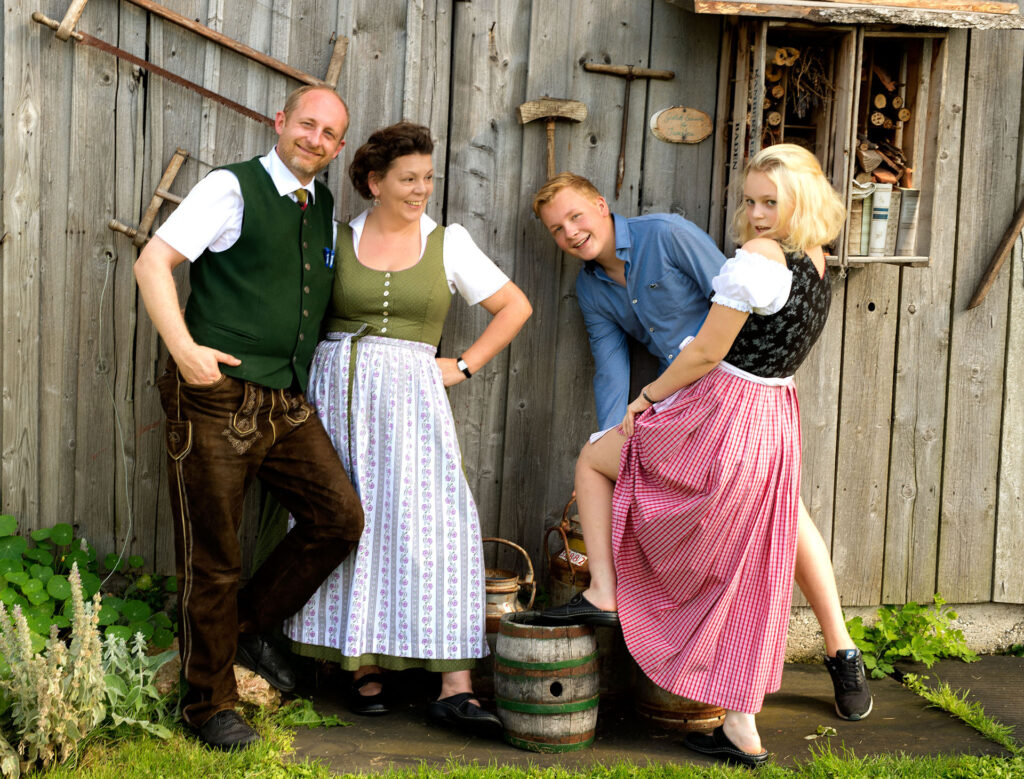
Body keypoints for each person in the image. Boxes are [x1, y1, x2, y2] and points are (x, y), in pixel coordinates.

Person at [537, 145, 852, 765]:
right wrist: (624, 423)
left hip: (718, 405)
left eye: (770, 202)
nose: (756, 215)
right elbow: (611, 365)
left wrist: (648, 399)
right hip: (772, 415)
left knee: (593, 462)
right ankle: (741, 726)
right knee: (751, 564)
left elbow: (710, 348)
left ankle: (606, 592)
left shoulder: (746, 255)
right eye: (750, 201)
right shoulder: (813, 260)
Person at [133, 85, 364, 750]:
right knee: (214, 556)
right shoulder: (230, 188)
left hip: (284, 400)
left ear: (338, 147)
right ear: (280, 122)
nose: (315, 139)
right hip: (217, 396)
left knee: (338, 519)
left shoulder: (321, 205)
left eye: (329, 133)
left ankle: (243, 629)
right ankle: (208, 704)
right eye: (307, 125)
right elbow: (153, 261)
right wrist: (185, 351)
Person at [281, 122, 532, 733]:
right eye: (408, 179)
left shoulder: (449, 242)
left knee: (437, 526)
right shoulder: (335, 237)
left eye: (427, 178)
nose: (421, 189)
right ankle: (360, 664)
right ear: (375, 182)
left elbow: (514, 306)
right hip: (339, 396)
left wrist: (463, 365)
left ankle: (455, 685)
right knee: (351, 521)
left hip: (414, 403)